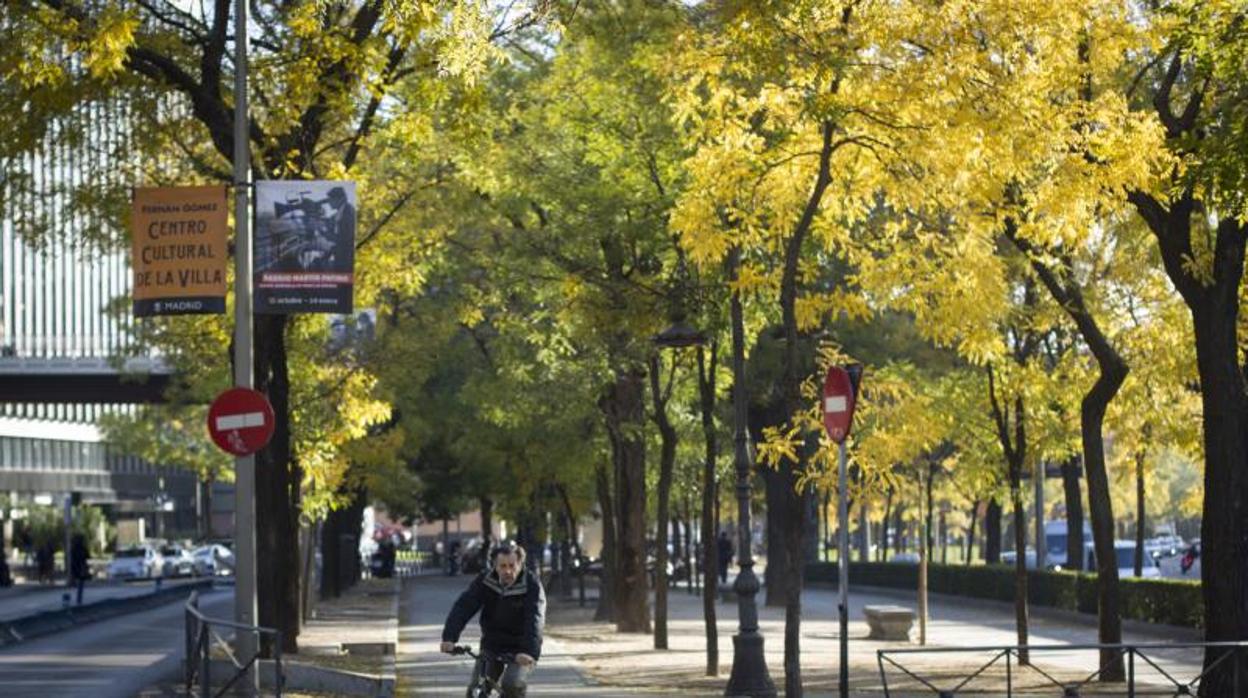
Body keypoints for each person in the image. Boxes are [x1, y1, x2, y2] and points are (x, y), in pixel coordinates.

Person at [441, 541, 545, 698]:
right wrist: (449, 637)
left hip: (520, 648)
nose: (507, 571)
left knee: (512, 684)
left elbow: (535, 620)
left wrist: (528, 652)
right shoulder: (485, 580)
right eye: (502, 566)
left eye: (512, 565)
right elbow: (464, 607)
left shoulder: (532, 585)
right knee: (477, 688)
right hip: (492, 645)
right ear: (494, 566)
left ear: (520, 564)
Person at [70, 533, 89, 605]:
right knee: (80, 584)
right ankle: (79, 599)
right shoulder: (82, 548)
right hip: (81, 566)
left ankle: (78, 599)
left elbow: (72, 558)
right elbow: (87, 556)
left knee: (79, 583)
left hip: (76, 567)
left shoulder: (74, 548)